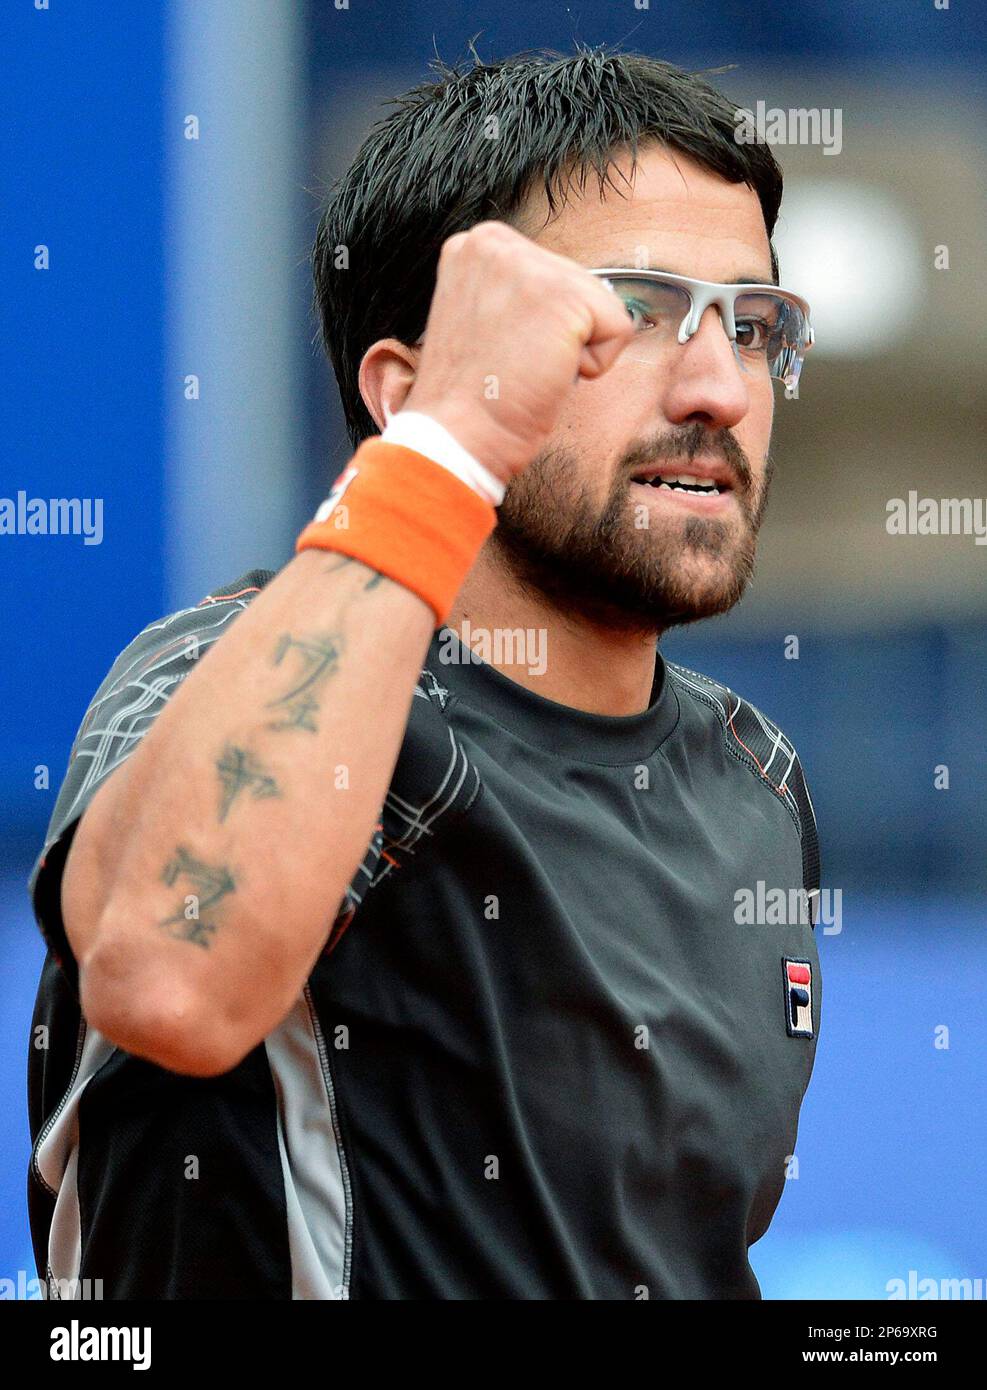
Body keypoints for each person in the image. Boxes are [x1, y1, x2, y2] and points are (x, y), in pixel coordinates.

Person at [28, 47, 821, 1300]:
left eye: (753, 322)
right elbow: (166, 977)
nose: (720, 388)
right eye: (630, 315)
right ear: (413, 391)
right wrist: (451, 446)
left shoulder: (755, 779)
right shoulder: (225, 675)